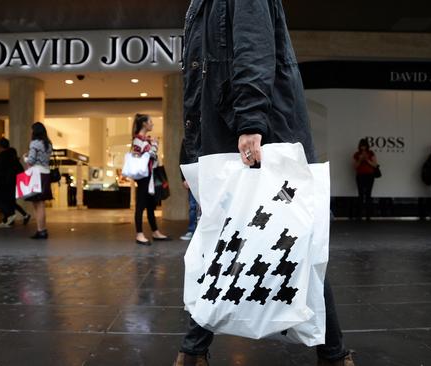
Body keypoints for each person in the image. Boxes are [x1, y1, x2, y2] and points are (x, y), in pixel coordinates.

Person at [175, 1, 354, 365]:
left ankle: (193, 351)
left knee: (289, 238)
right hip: (230, 134)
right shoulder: (200, 5)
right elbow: (198, 87)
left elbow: (254, 48)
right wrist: (192, 151)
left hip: (256, 133)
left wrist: (251, 123)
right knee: (265, 240)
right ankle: (333, 355)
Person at [131, 113, 170, 246]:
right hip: (143, 177)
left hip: (150, 175)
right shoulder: (138, 140)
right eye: (151, 122)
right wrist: (154, 145)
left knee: (150, 205)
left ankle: (155, 231)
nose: (152, 124)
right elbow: (149, 155)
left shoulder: (145, 140)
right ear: (144, 124)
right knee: (140, 206)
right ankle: (139, 234)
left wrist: (152, 144)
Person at [0, 138, 30, 228]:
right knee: (11, 201)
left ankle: (9, 217)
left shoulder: (0, 157)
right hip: (13, 183)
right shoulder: (13, 156)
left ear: (0, 146)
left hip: (2, 183)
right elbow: (20, 170)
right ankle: (8, 221)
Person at [23, 122, 53, 239]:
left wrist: (25, 157)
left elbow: (30, 161)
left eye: (32, 130)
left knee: (38, 204)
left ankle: (41, 231)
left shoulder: (35, 143)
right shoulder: (48, 144)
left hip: (37, 174)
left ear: (35, 131)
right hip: (45, 174)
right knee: (41, 204)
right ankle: (42, 229)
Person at [353, 138, 379, 221]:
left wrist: (367, 160)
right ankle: (359, 214)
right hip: (360, 175)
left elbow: (375, 165)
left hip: (369, 176)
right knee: (360, 195)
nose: (363, 148)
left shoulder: (371, 153)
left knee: (368, 195)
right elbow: (355, 166)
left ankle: (368, 215)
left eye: (364, 146)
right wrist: (360, 159)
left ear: (367, 146)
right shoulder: (357, 154)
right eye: (361, 146)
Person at [179, 142, 198, 241]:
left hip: (206, 172)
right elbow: (182, 159)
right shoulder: (187, 139)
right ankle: (191, 230)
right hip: (192, 174)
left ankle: (201, 232)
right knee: (193, 206)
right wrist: (184, 178)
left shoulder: (206, 133)